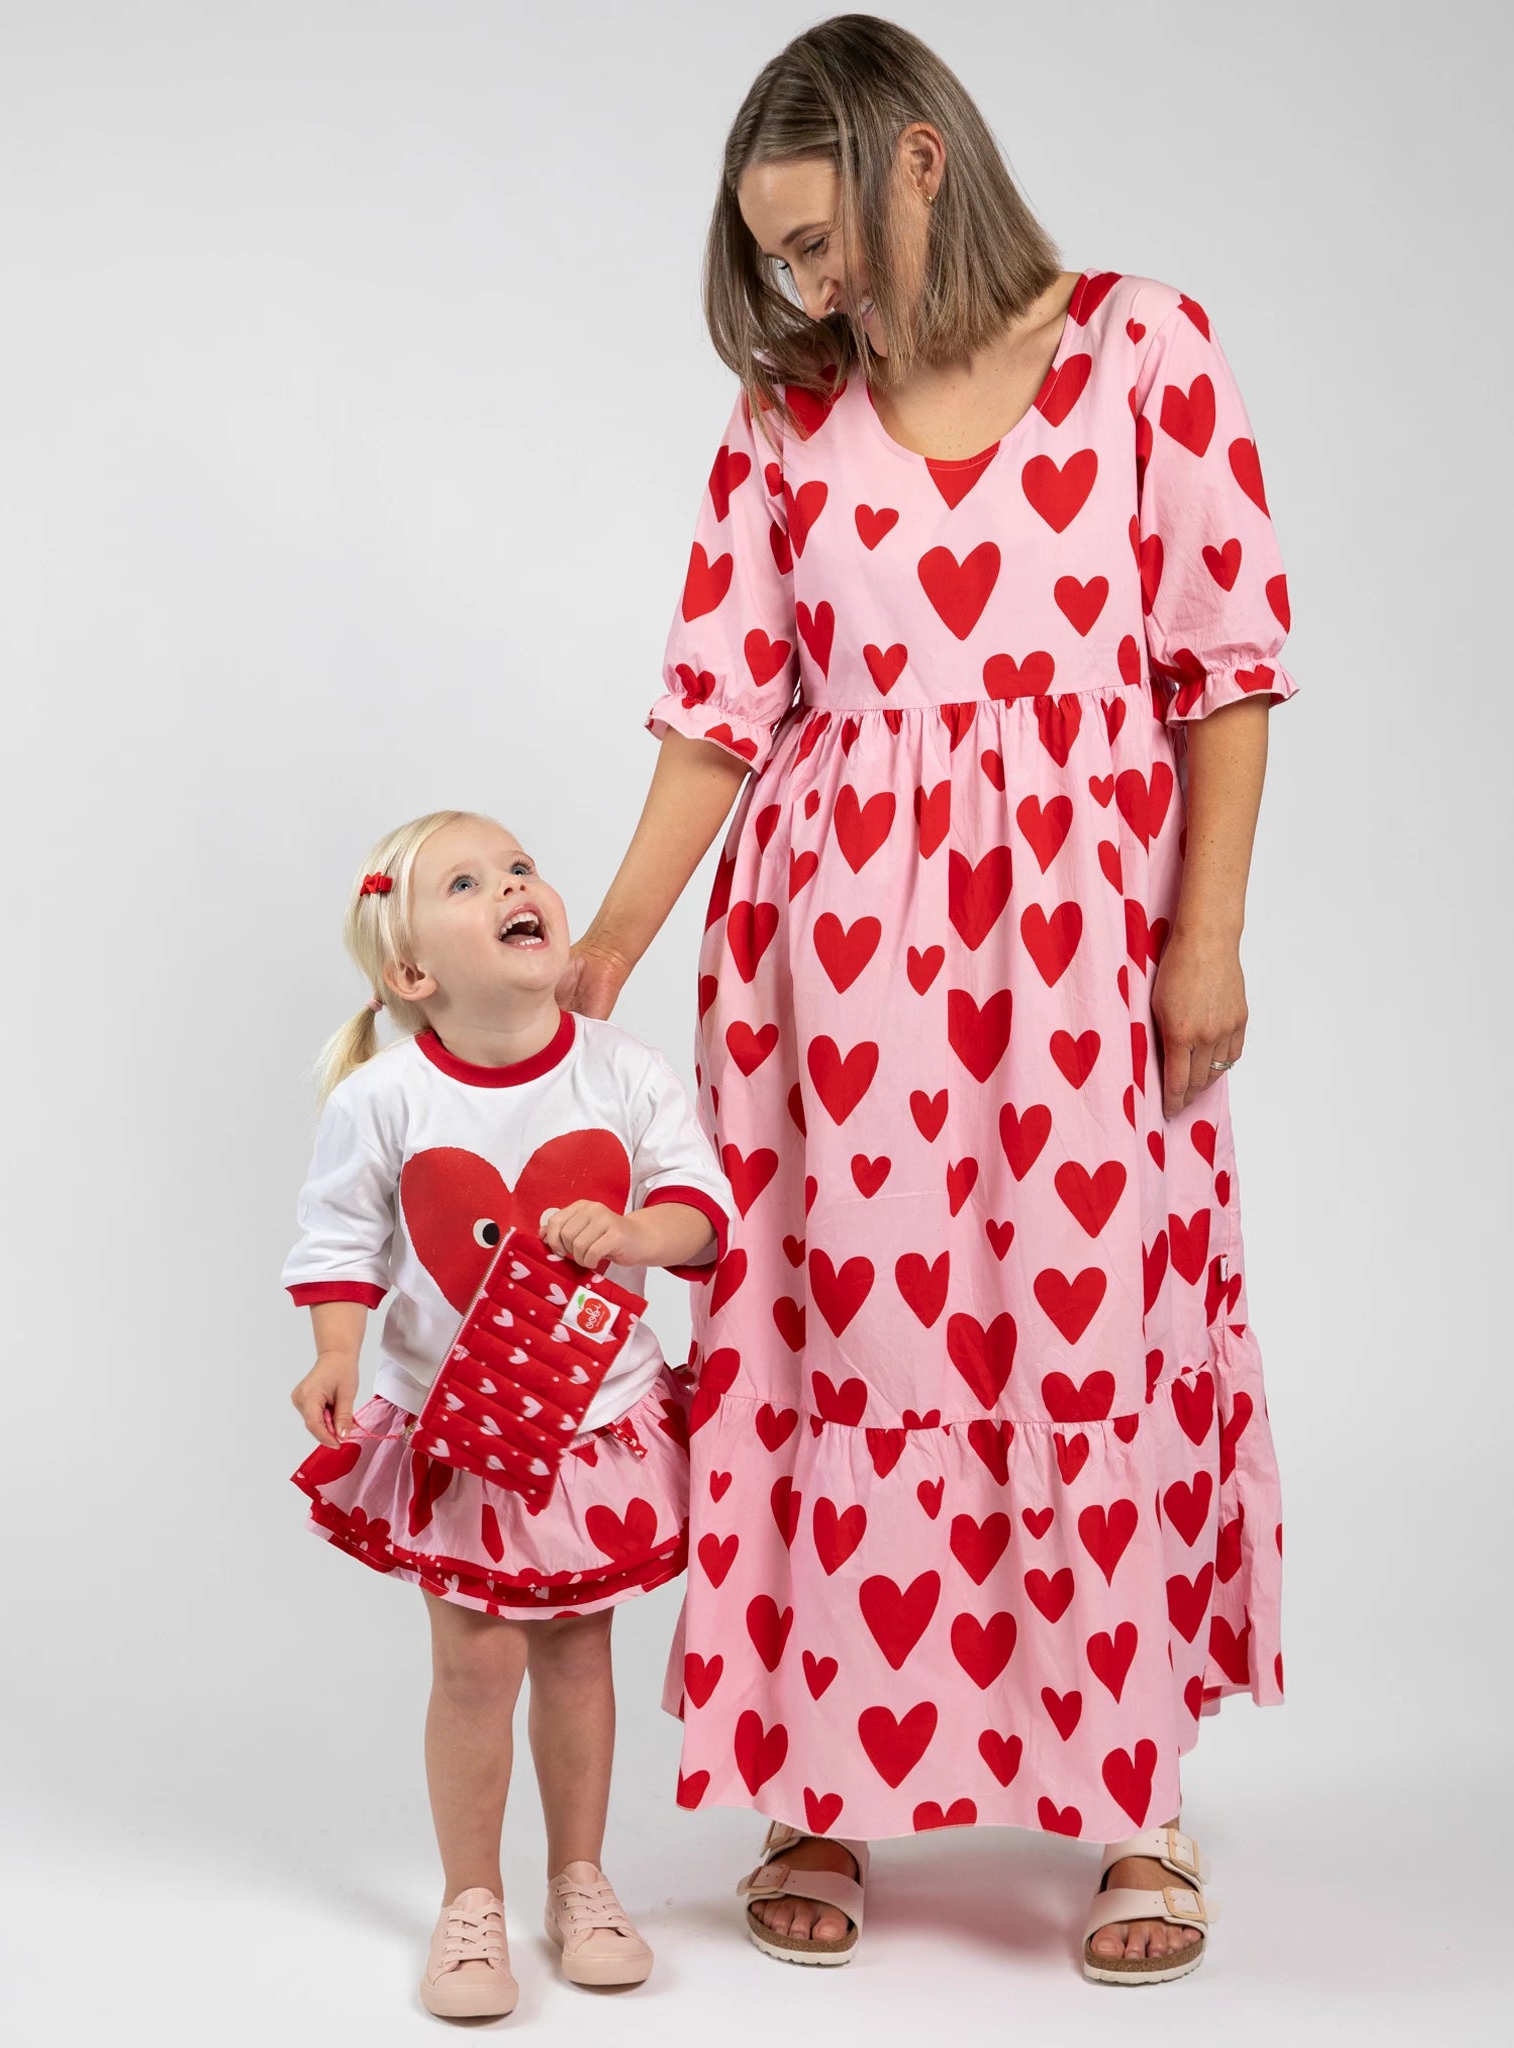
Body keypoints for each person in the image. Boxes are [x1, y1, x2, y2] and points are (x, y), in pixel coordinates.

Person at [559, 15, 1291, 1987]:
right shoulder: (787, 425)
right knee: (849, 1338)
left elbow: (1224, 666)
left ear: (918, 163)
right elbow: (719, 715)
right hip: (834, 969)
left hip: (1084, 953)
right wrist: (616, 941)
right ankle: (821, 1780)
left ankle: (1138, 1800)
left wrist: (1201, 932)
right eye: (775, 258)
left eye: (821, 243)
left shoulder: (1148, 350)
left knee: (1094, 1326)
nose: (805, 289)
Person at [285, 810, 732, 2018]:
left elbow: (701, 1202)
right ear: (413, 972)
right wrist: (335, 1349)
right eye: (469, 881)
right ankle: (468, 1900)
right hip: (458, 1428)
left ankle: (580, 1877)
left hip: (591, 1424)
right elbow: (339, 1239)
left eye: (520, 866)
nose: (515, 885)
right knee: (474, 1664)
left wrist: (639, 1232)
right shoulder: (385, 1098)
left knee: (578, 1649)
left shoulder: (621, 1070)